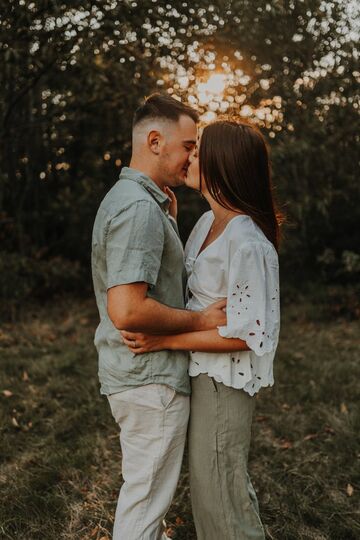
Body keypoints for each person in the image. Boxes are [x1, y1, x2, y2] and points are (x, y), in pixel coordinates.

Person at [121, 119, 282, 540]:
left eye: (199, 150)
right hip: (201, 375)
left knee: (222, 496)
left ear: (222, 162)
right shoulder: (207, 223)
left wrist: (163, 338)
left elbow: (244, 334)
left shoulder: (246, 240)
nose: (190, 156)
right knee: (212, 491)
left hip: (223, 382)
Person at [91, 94, 227, 540]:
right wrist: (201, 321)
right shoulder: (138, 208)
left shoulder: (140, 200)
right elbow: (128, 309)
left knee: (146, 495)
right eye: (188, 145)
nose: (193, 156)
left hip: (140, 376)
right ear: (154, 140)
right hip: (150, 381)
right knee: (144, 505)